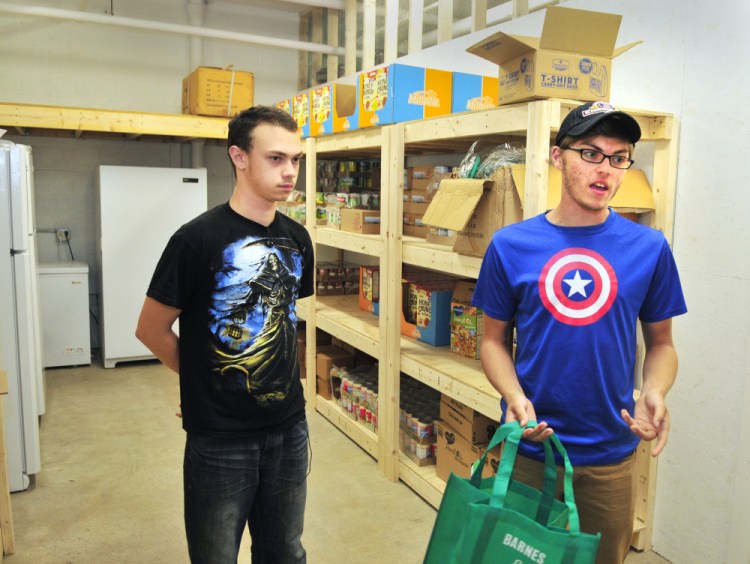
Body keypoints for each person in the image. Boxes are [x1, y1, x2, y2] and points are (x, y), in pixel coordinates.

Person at [471, 101, 687, 563]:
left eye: (618, 156)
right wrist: (511, 394)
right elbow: (492, 340)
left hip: (612, 453)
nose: (604, 169)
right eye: (589, 152)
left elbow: (662, 345)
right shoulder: (510, 245)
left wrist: (655, 388)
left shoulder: (649, 248)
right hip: (533, 449)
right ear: (557, 156)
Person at [135, 105, 314, 564]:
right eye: (276, 159)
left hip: (289, 428)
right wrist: (201, 382)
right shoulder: (196, 239)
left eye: (296, 159)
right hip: (220, 439)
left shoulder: (297, 239)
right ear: (239, 157)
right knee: (216, 556)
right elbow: (150, 329)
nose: (290, 171)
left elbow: (286, 320)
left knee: (285, 552)